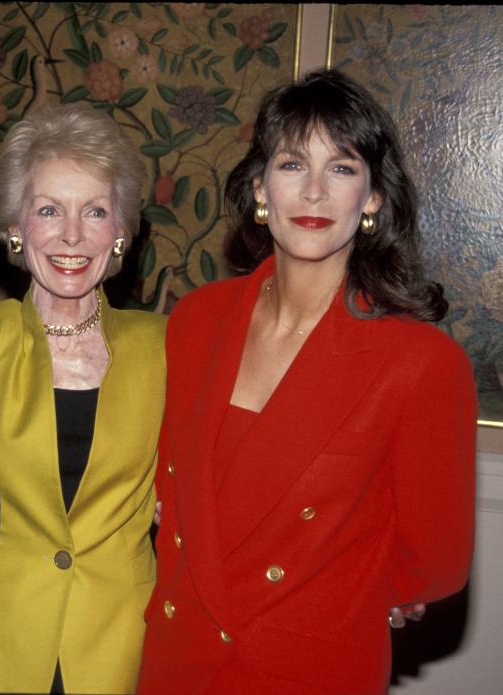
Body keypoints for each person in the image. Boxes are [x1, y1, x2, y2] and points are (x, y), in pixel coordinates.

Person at [137, 69, 477, 694]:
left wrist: (344, 593)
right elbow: (174, 495)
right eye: (293, 164)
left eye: (342, 169)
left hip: (306, 668)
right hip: (176, 659)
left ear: (372, 198)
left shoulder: (421, 362)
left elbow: (435, 564)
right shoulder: (196, 321)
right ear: (261, 188)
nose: (315, 192)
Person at [0, 104, 165, 694]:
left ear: (120, 232)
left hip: (123, 649)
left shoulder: (167, 350)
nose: (72, 235)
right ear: (17, 227)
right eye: (49, 210)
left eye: (94, 211)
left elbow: (230, 480)